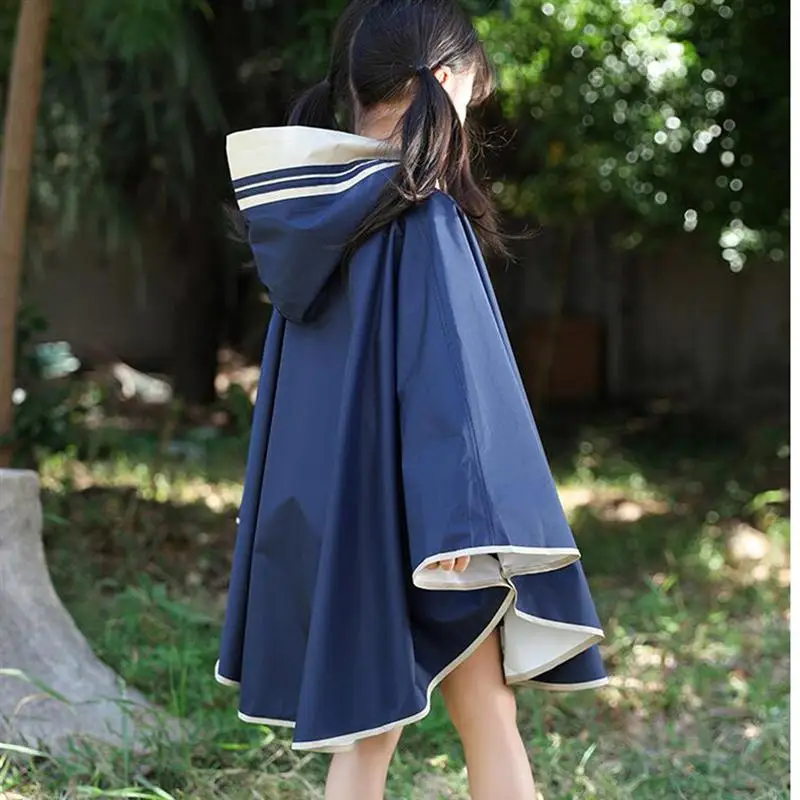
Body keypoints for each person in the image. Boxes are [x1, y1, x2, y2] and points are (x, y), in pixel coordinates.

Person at [215, 2, 607, 798]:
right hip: (422, 520)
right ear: (447, 80)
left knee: (409, 718)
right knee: (434, 720)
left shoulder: (310, 216)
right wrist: (457, 517)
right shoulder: (417, 210)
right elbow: (444, 373)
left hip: (336, 511)